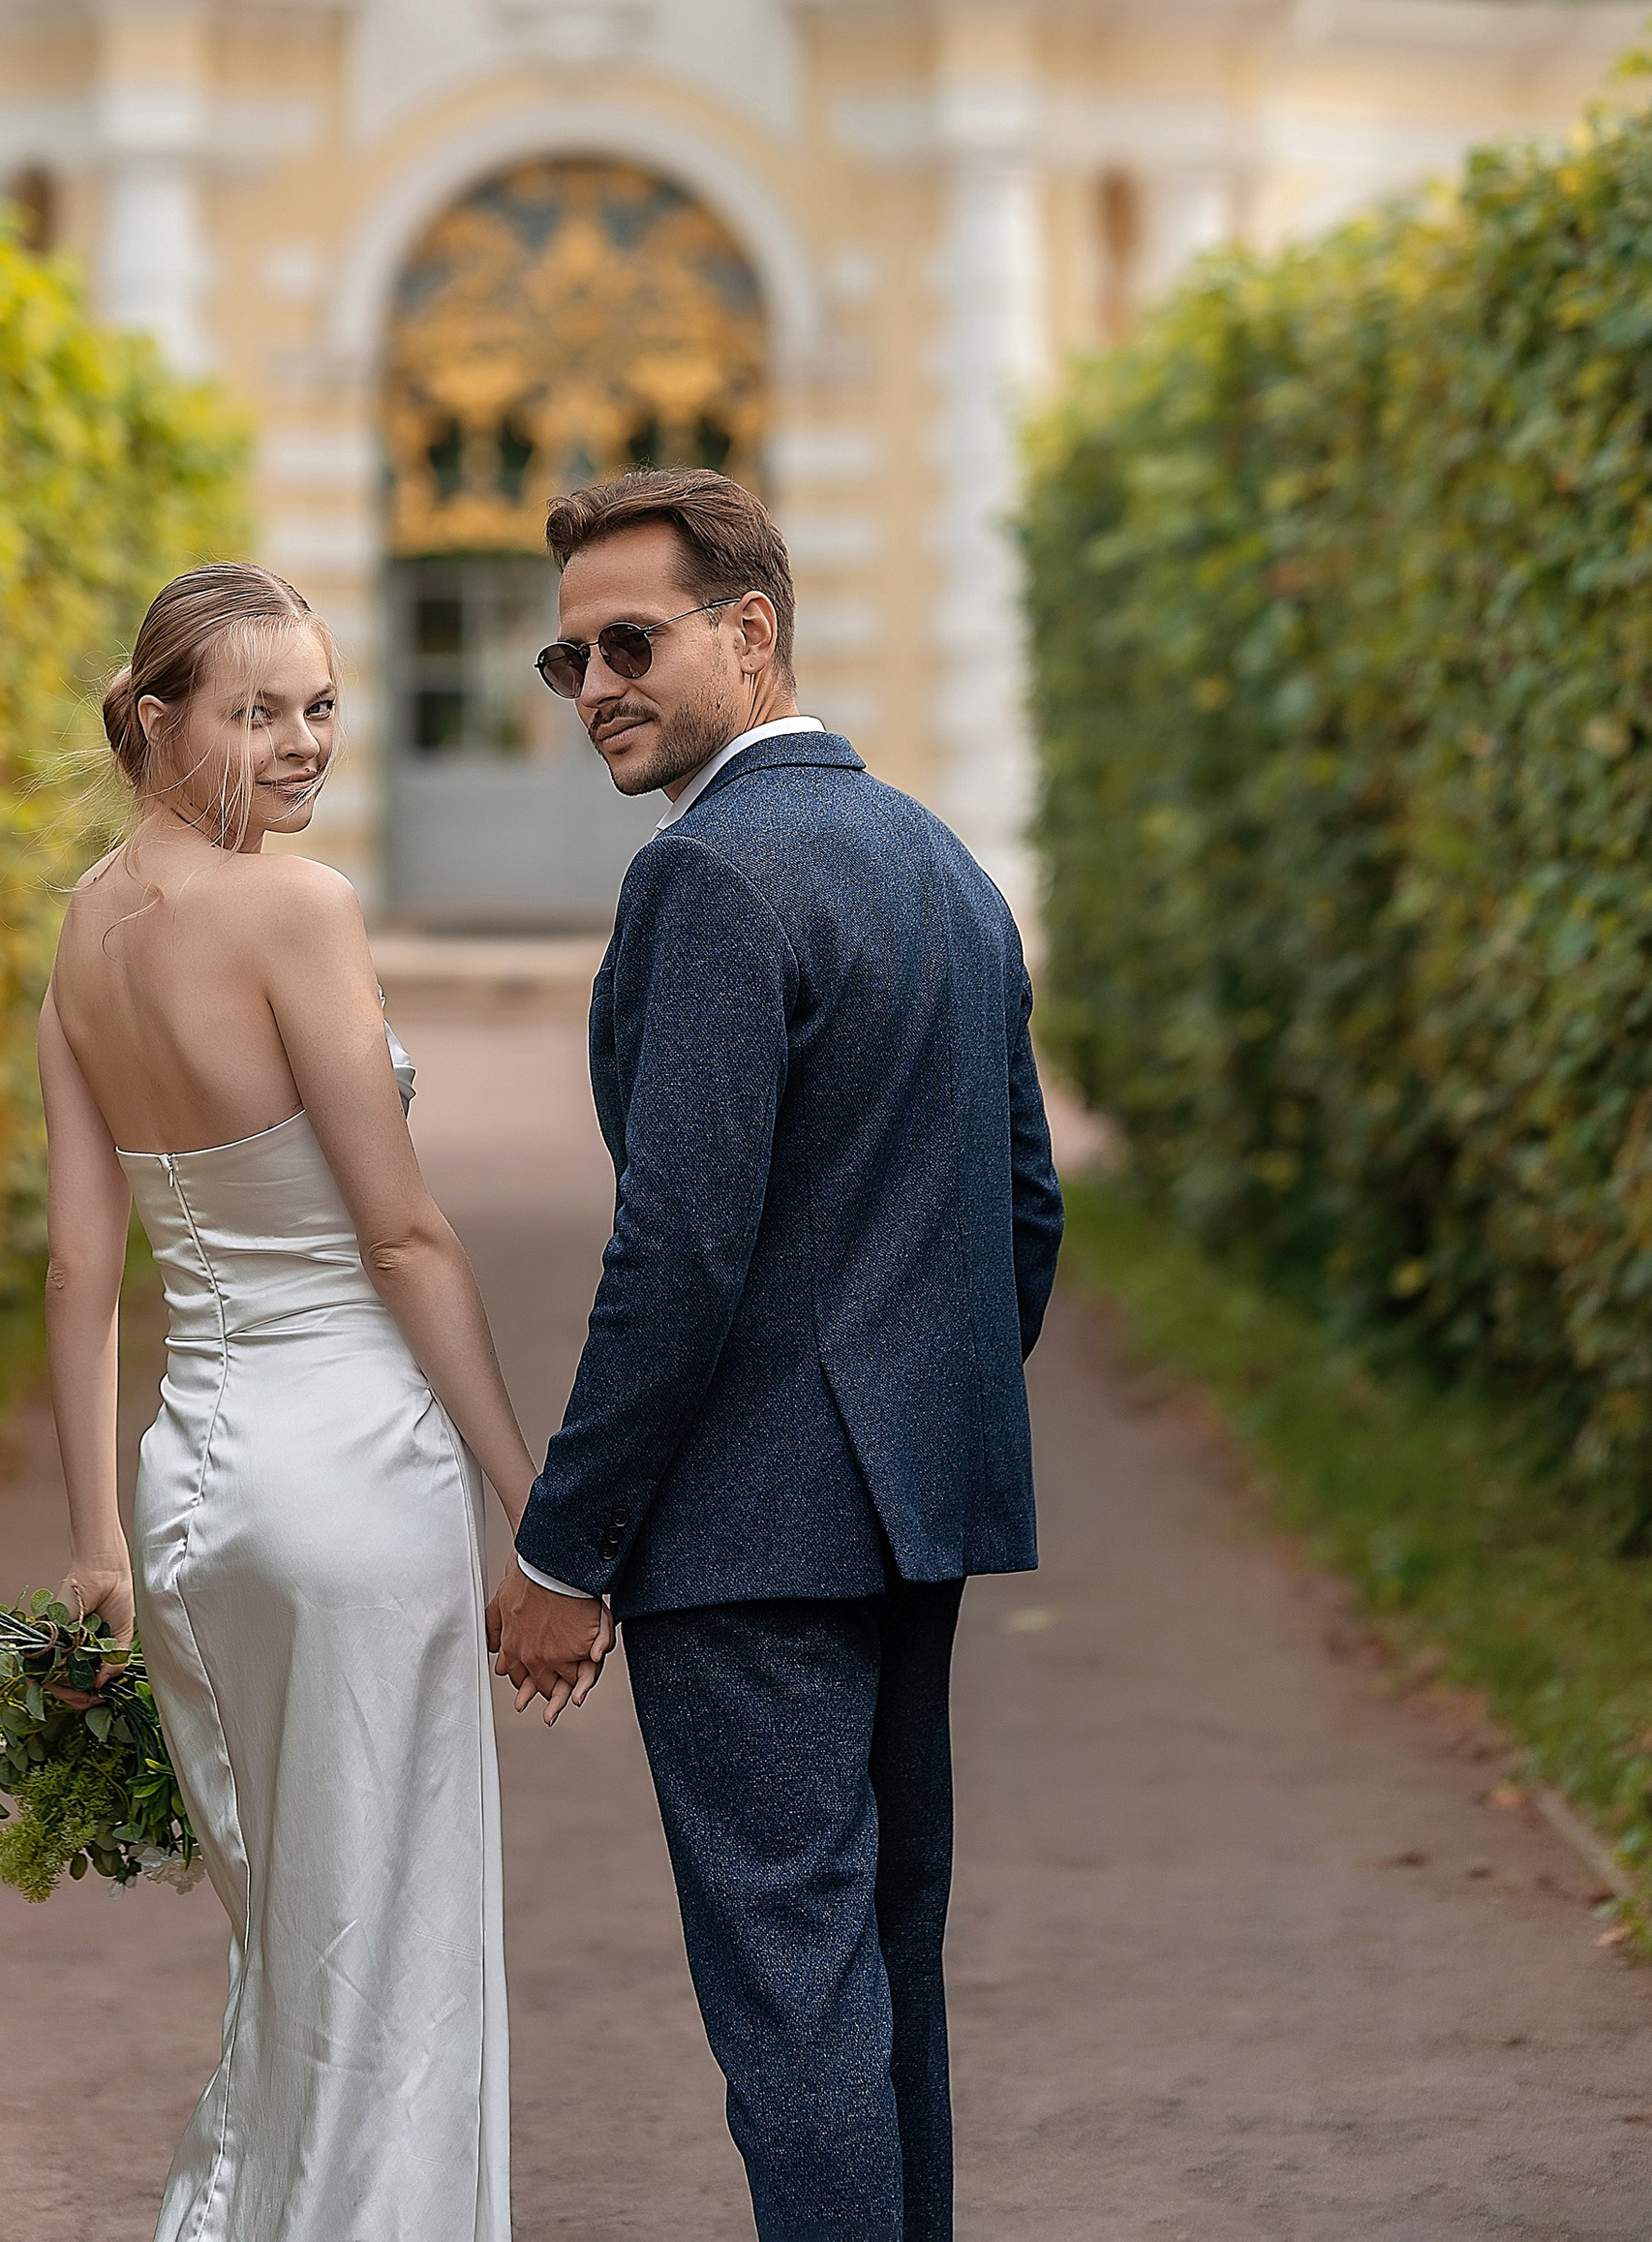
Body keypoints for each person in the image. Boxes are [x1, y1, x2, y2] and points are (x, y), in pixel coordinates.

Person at [490, 471, 1062, 2242]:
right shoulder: (942, 862)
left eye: (631, 641)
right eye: (566, 654)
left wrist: (564, 1551)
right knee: (881, 1959)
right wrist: (912, 1405)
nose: (595, 682)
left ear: (752, 632)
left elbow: (678, 1256)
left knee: (796, 1991)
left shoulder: (711, 879)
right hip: (917, 1509)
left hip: (749, 1541)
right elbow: (1023, 1214)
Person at [40, 562, 569, 2242]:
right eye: (257, 710)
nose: (303, 742)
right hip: (350, 1484)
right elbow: (405, 1236)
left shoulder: (82, 927)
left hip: (195, 1491)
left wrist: (97, 1542)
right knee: (390, 1955)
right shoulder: (300, 913)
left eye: (321, 705)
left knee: (291, 1952)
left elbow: (79, 1272)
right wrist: (536, 1515)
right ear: (160, 719)